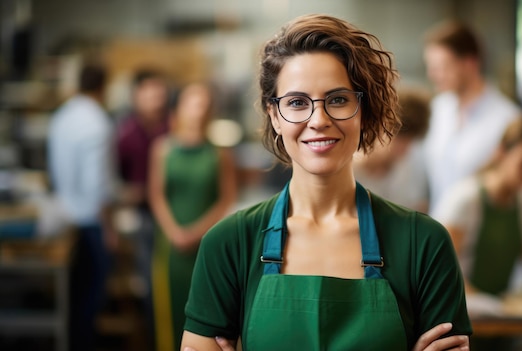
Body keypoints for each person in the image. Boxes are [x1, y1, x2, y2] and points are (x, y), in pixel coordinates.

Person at [181, 14, 471, 351]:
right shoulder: (229, 243)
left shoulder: (424, 244)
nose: (318, 120)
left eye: (337, 100)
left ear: (364, 110)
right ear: (274, 116)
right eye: (296, 103)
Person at [432, 117, 522, 350]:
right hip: (458, 319)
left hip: (497, 318)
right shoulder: (466, 199)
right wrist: (483, 302)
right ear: (502, 152)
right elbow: (443, 271)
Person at [148, 82, 238, 351]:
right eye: (193, 102)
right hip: (171, 247)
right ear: (180, 107)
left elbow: (226, 199)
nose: (199, 109)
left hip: (206, 245)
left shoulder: (219, 153)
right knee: (169, 313)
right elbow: (156, 195)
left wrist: (196, 232)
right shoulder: (163, 149)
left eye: (204, 103)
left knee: (204, 317)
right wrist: (174, 232)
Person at [47, 63, 118, 351]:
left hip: (65, 216)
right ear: (104, 87)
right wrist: (109, 227)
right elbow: (97, 184)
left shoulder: (62, 115)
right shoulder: (97, 122)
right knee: (89, 300)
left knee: (72, 299)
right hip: (90, 223)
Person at [421, 20, 520, 213]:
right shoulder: (437, 110)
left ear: (470, 63)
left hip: (479, 234)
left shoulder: (507, 119)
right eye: (430, 66)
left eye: (442, 66)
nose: (432, 75)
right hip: (437, 230)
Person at [115, 68, 170, 347]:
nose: (156, 99)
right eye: (150, 92)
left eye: (160, 92)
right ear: (136, 95)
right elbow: (117, 177)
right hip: (142, 215)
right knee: (149, 283)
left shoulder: (172, 126)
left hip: (174, 212)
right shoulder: (125, 133)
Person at [353, 86, 431, 212]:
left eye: (410, 141)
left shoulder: (409, 167)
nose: (405, 148)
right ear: (379, 127)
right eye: (400, 138)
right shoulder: (350, 168)